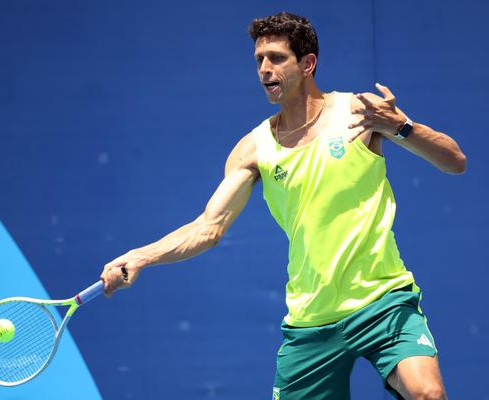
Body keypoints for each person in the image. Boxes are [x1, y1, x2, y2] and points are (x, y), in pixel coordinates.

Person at [100, 12, 466, 400]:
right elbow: (209, 227)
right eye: (259, 59)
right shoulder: (255, 148)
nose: (264, 69)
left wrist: (401, 126)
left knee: (427, 394)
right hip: (311, 320)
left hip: (383, 300)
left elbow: (454, 161)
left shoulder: (360, 113)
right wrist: (140, 256)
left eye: (276, 58)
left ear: (307, 64)